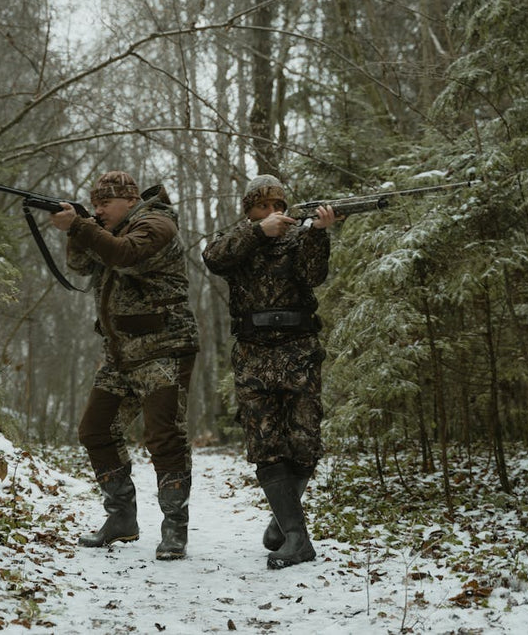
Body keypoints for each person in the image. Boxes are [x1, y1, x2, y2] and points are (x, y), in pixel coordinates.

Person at [47, 171, 199, 561]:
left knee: (163, 436)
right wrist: (79, 228)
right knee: (95, 430)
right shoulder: (109, 229)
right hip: (120, 352)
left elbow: (126, 256)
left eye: (105, 203)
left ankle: (174, 529)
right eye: (94, 203)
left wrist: (83, 224)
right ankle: (121, 519)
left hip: (164, 347)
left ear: (130, 200)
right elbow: (82, 266)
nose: (99, 210)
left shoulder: (156, 224)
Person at [202, 174, 336, 569]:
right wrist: (259, 233)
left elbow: (314, 275)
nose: (274, 212)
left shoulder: (299, 238)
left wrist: (319, 233)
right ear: (250, 212)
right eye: (264, 207)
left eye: (279, 206)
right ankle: (297, 538)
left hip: (299, 351)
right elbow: (213, 258)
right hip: (253, 353)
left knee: (304, 441)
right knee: (264, 442)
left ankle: (284, 519)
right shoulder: (238, 241)